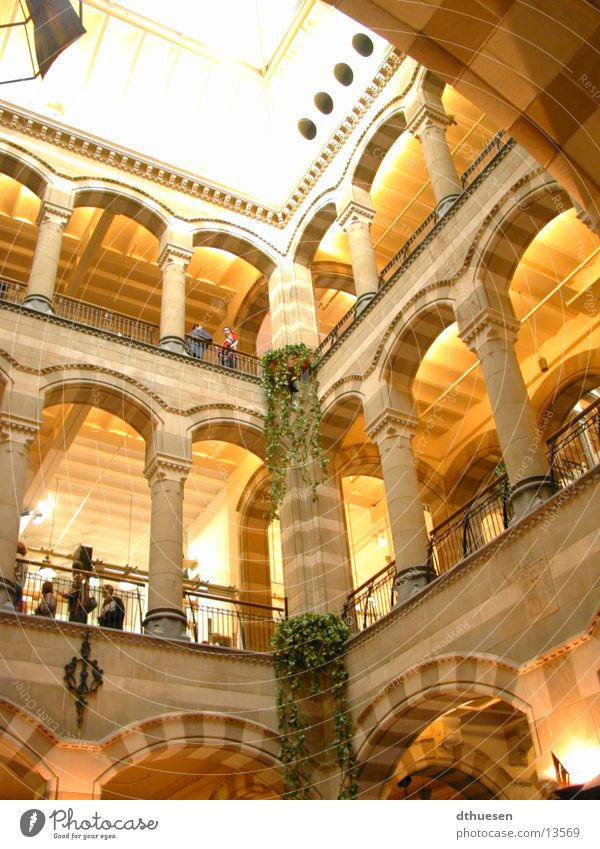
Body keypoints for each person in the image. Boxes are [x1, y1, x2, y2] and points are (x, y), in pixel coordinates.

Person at [14, 540, 29, 613]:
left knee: (11, 602)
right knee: (15, 604)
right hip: (21, 586)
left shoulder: (16, 557)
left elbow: (12, 567)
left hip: (15, 584)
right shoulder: (26, 562)